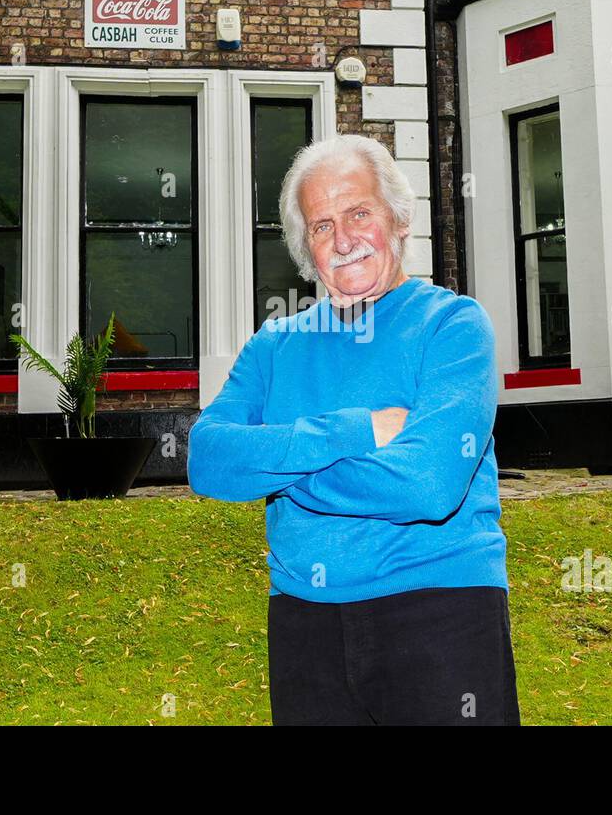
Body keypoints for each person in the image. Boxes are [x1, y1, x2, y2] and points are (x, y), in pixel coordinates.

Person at [187, 134, 519, 726]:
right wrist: (351, 431)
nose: (342, 239)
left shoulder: (453, 325)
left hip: (440, 611)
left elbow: (428, 485)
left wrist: (278, 468)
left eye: (359, 213)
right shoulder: (275, 345)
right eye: (320, 225)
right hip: (304, 619)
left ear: (398, 220)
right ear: (304, 246)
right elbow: (208, 459)